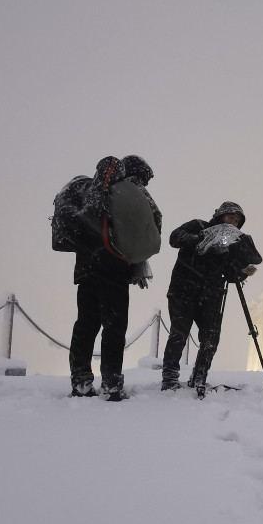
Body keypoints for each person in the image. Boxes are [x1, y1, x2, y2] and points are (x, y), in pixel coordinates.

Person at [67, 155, 160, 401]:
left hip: (86, 268)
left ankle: (81, 381)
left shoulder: (91, 190)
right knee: (114, 327)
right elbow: (153, 225)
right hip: (113, 269)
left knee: (86, 324)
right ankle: (111, 383)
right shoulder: (130, 192)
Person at [161, 201, 262, 395]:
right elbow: (175, 238)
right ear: (220, 216)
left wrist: (242, 271)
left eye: (237, 220)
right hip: (183, 290)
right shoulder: (198, 226)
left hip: (211, 294)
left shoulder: (232, 242)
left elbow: (230, 274)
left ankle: (200, 376)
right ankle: (170, 377)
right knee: (178, 334)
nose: (233, 222)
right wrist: (202, 239)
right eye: (230, 217)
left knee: (211, 338)